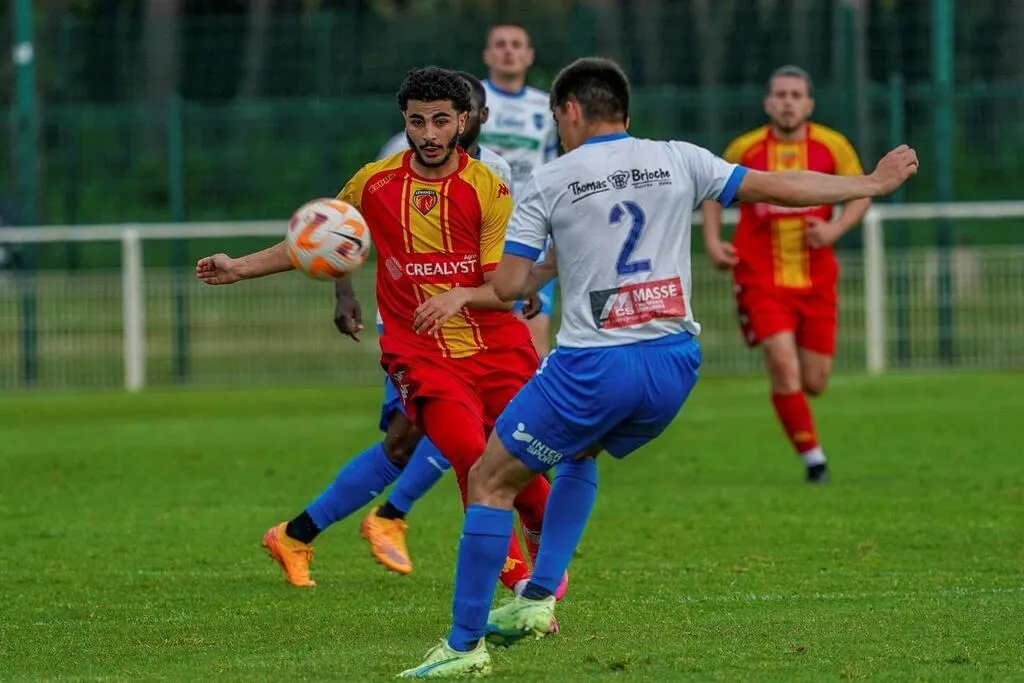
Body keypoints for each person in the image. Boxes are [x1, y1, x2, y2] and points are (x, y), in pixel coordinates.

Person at [397, 57, 918, 678]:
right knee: (580, 451)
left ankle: (463, 648)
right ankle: (536, 596)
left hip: (594, 366)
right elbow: (782, 187)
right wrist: (870, 183)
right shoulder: (680, 158)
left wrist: (463, 293)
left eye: (557, 119)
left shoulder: (551, 178)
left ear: (569, 111)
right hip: (674, 365)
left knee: (489, 480)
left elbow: (508, 286)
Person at [195, 67, 563, 607]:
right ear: (404, 122)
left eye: (441, 121)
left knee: (523, 464)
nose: (429, 134)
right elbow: (323, 237)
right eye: (418, 122)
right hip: (420, 352)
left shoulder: (490, 185)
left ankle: (537, 548)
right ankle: (523, 589)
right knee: (469, 457)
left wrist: (470, 294)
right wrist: (239, 268)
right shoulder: (374, 182)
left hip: (494, 346)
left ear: (464, 121)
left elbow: (499, 289)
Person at [701, 66, 870, 484]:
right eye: (780, 95)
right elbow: (712, 193)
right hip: (760, 278)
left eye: (796, 95)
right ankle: (815, 462)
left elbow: (862, 192)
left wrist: (834, 229)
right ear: (767, 103)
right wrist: (713, 242)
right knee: (781, 362)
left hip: (817, 280)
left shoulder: (833, 146)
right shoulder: (746, 148)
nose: (788, 102)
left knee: (815, 381)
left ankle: (797, 415)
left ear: (809, 104)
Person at [479, 22, 560, 358]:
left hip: (530, 232)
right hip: (479, 233)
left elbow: (553, 168)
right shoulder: (472, 101)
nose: (508, 51)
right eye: (500, 44)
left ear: (529, 56)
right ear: (487, 55)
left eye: (516, 44)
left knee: (533, 345)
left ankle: (531, 395)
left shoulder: (546, 108)